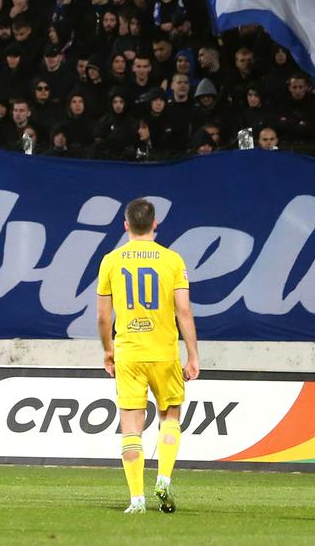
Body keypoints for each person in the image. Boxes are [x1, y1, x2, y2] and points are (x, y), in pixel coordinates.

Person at [95, 198, 199, 515]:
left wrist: (108, 351)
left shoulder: (111, 261)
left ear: (126, 226)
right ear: (155, 224)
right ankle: (164, 478)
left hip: (128, 352)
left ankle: (137, 498)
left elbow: (102, 317)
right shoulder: (172, 260)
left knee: (131, 426)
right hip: (164, 352)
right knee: (170, 417)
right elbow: (184, 311)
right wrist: (192, 354)